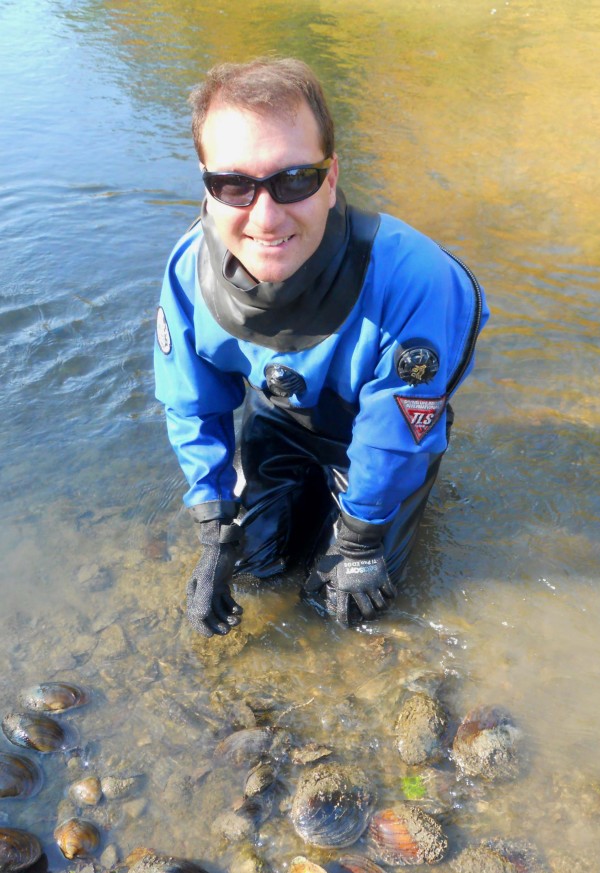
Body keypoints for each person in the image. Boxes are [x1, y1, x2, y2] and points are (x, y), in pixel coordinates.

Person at [154, 57, 489, 637]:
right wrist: (214, 527)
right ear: (206, 188)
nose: (265, 216)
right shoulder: (189, 271)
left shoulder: (415, 281)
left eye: (294, 180)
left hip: (377, 424)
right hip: (281, 416)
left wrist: (360, 538)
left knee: (344, 606)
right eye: (234, 185)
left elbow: (395, 432)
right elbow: (191, 402)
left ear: (331, 179)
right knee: (257, 571)